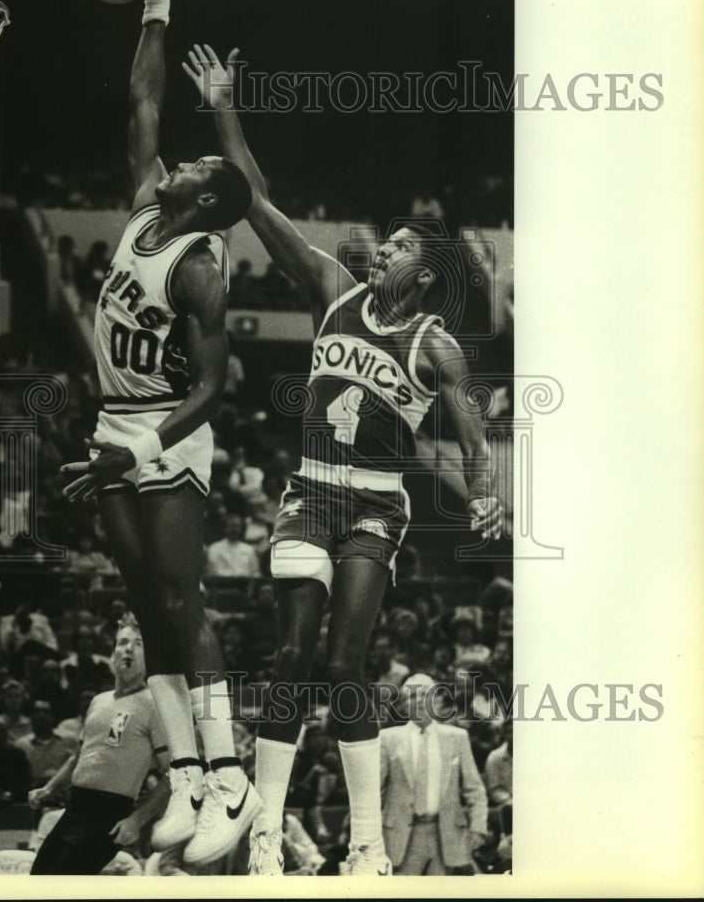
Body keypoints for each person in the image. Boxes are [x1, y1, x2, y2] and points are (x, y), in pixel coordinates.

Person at [183, 44, 503, 876]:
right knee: (292, 656)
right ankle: (264, 833)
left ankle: (366, 845)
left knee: (343, 663)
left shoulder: (439, 349)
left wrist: (486, 495)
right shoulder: (333, 290)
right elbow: (255, 200)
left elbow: (473, 437)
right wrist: (224, 105)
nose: (383, 250)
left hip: (377, 505)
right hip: (311, 492)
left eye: (398, 247)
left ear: (424, 276)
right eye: (385, 244)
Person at [58, 0, 259, 868]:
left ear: (208, 195)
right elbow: (144, 100)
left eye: (188, 168)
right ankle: (181, 774)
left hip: (167, 433)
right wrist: (157, 4)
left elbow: (217, 387)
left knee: (183, 602)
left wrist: (136, 453)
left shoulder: (201, 267)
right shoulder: (145, 208)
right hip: (112, 422)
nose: (170, 162)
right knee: (144, 601)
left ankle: (230, 774)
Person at [28, 613, 170, 874]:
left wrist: (136, 821)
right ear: (112, 653)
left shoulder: (154, 704)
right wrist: (48, 789)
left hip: (109, 816)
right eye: (122, 642)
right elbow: (78, 757)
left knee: (61, 885)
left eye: (139, 644)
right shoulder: (98, 700)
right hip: (74, 809)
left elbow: (174, 775)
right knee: (38, 879)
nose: (128, 648)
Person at [379, 674, 488, 875]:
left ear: (437, 700)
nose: (419, 700)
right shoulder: (387, 739)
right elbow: (375, 792)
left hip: (445, 833)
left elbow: (475, 788)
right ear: (404, 705)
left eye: (424, 694)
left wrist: (478, 825)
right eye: (411, 696)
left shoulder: (457, 737)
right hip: (401, 835)